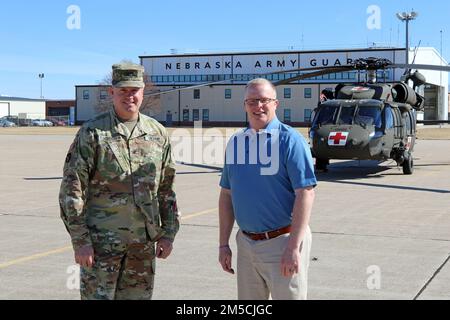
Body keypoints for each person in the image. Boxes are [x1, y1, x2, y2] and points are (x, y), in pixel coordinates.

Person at [59, 63, 180, 300]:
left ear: (143, 92)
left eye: (134, 90)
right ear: (111, 92)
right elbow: (72, 190)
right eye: (122, 90)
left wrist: (168, 233)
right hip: (101, 246)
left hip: (142, 248)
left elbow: (166, 189)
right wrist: (80, 240)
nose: (129, 96)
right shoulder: (93, 132)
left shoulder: (157, 133)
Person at [218, 78, 317, 300]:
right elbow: (226, 195)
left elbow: (306, 193)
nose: (258, 106)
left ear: (276, 104)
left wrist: (293, 247)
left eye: (264, 100)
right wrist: (223, 244)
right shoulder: (236, 142)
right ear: (244, 105)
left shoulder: (290, 141)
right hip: (246, 244)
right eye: (251, 101)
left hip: (283, 242)